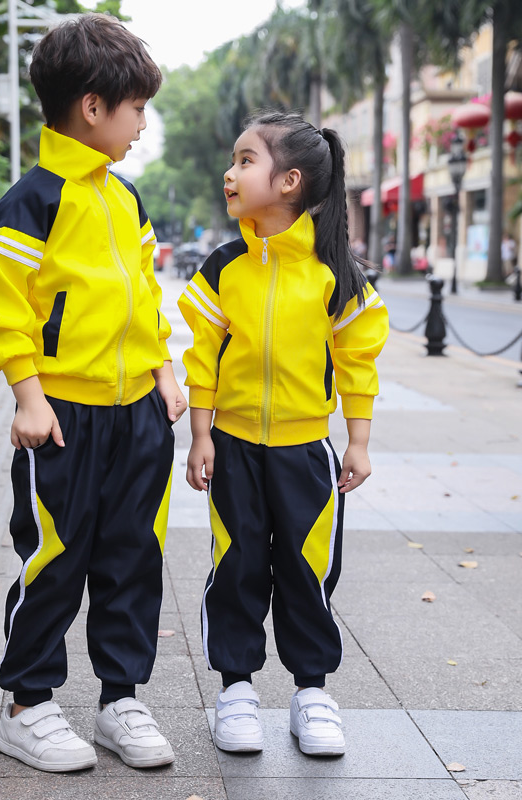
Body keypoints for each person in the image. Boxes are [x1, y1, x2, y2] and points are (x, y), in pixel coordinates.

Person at [0, 13, 186, 774]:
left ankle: (120, 698)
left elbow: (142, 296)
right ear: (93, 107)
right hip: (61, 419)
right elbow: (4, 306)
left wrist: (163, 369)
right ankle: (28, 705)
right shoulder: (32, 200)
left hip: (139, 416)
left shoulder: (126, 199)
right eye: (136, 109)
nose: (141, 124)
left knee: (133, 557)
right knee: (56, 560)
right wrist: (30, 396)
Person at [178, 110, 389, 758]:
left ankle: (312, 694)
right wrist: (201, 435)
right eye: (235, 159)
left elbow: (357, 359)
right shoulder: (222, 267)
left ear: (290, 181)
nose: (230, 172)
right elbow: (203, 358)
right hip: (234, 447)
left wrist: (357, 440)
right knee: (236, 565)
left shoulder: (334, 274)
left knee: (307, 569)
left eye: (246, 160)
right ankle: (235, 689)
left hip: (305, 453)